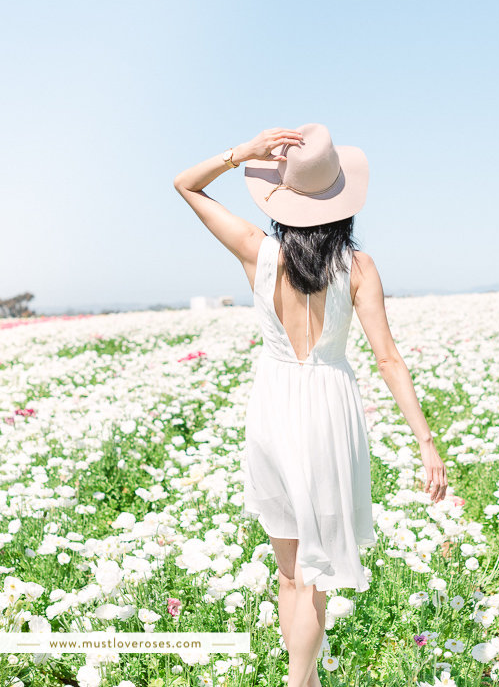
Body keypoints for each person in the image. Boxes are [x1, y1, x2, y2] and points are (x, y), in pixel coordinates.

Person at [173, 123, 448, 687]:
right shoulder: (358, 267)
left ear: (284, 196)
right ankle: (300, 683)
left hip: (273, 408)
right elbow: (389, 359)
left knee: (289, 573)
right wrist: (427, 443)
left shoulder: (257, 250)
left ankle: (307, 678)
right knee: (314, 575)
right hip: (328, 410)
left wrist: (239, 154)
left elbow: (186, 186)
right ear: (341, 201)